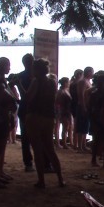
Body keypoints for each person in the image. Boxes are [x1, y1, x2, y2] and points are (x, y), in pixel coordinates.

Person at [25, 58, 64, 188]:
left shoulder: (36, 81)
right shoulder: (52, 82)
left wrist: (19, 85)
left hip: (35, 116)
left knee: (37, 150)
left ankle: (41, 180)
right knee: (50, 149)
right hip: (49, 117)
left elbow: (28, 98)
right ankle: (60, 179)